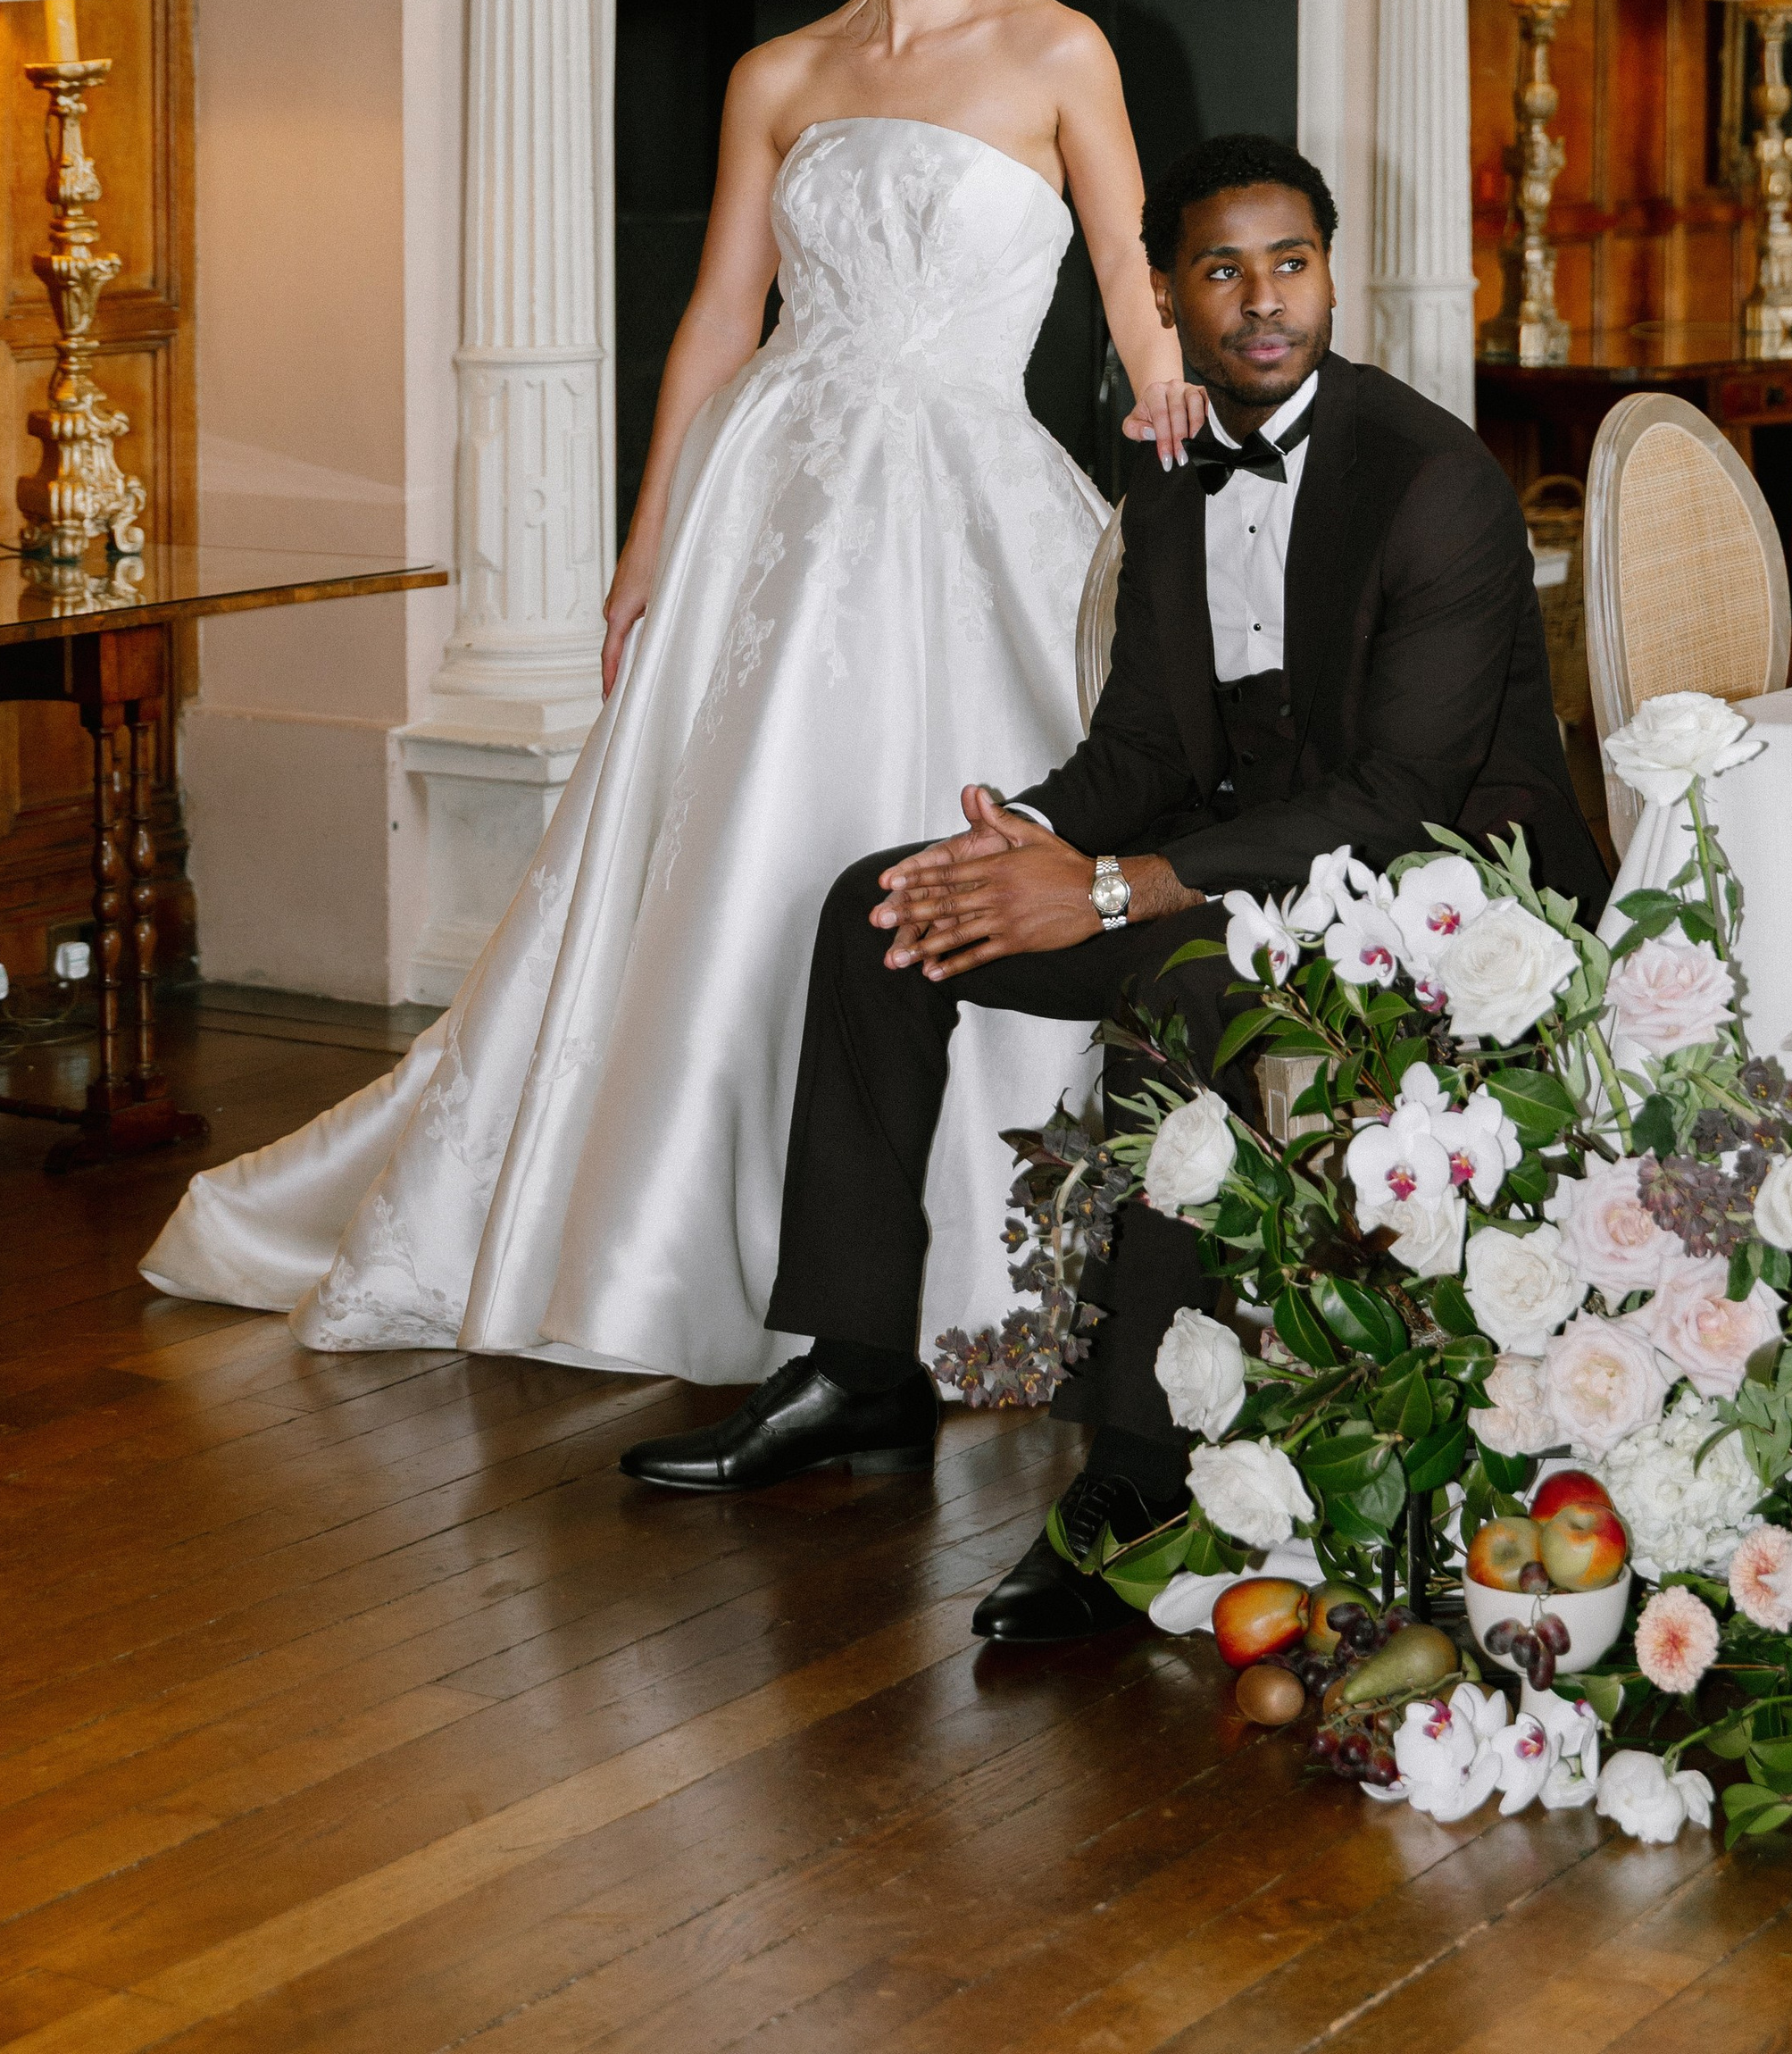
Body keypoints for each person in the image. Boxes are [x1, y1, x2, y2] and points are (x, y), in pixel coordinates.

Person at [140, 0, 1208, 1384]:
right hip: (771, 492)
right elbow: (717, 324)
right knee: (731, 835)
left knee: (961, 806)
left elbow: (1130, 262)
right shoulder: (776, 77)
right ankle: (668, 1220)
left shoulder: (1060, 48)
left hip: (970, 486)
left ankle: (992, 1244)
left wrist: (1162, 401)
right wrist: (642, 552)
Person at [618, 135, 1607, 1643]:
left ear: (1331, 273)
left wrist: (1120, 891)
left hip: (1433, 894)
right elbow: (1143, 742)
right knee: (879, 913)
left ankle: (1138, 1473)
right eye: (1222, 270)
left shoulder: (1433, 484)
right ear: (1163, 292)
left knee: (1177, 982)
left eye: (1293, 264)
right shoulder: (1170, 482)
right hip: (1218, 866)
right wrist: (1012, 838)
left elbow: (1393, 800)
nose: (1264, 302)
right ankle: (862, 1363)